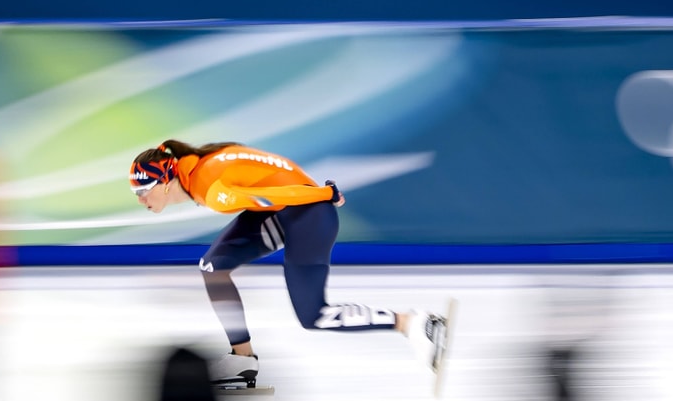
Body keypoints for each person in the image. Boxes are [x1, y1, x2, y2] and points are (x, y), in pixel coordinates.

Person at [129, 140, 450, 385]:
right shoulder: (200, 164)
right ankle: (242, 360)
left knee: (314, 316)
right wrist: (315, 190)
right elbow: (269, 174)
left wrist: (323, 194)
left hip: (308, 214)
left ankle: (412, 323)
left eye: (143, 190)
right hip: (289, 210)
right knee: (212, 266)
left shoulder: (211, 189)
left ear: (166, 181)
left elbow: (272, 196)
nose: (141, 199)